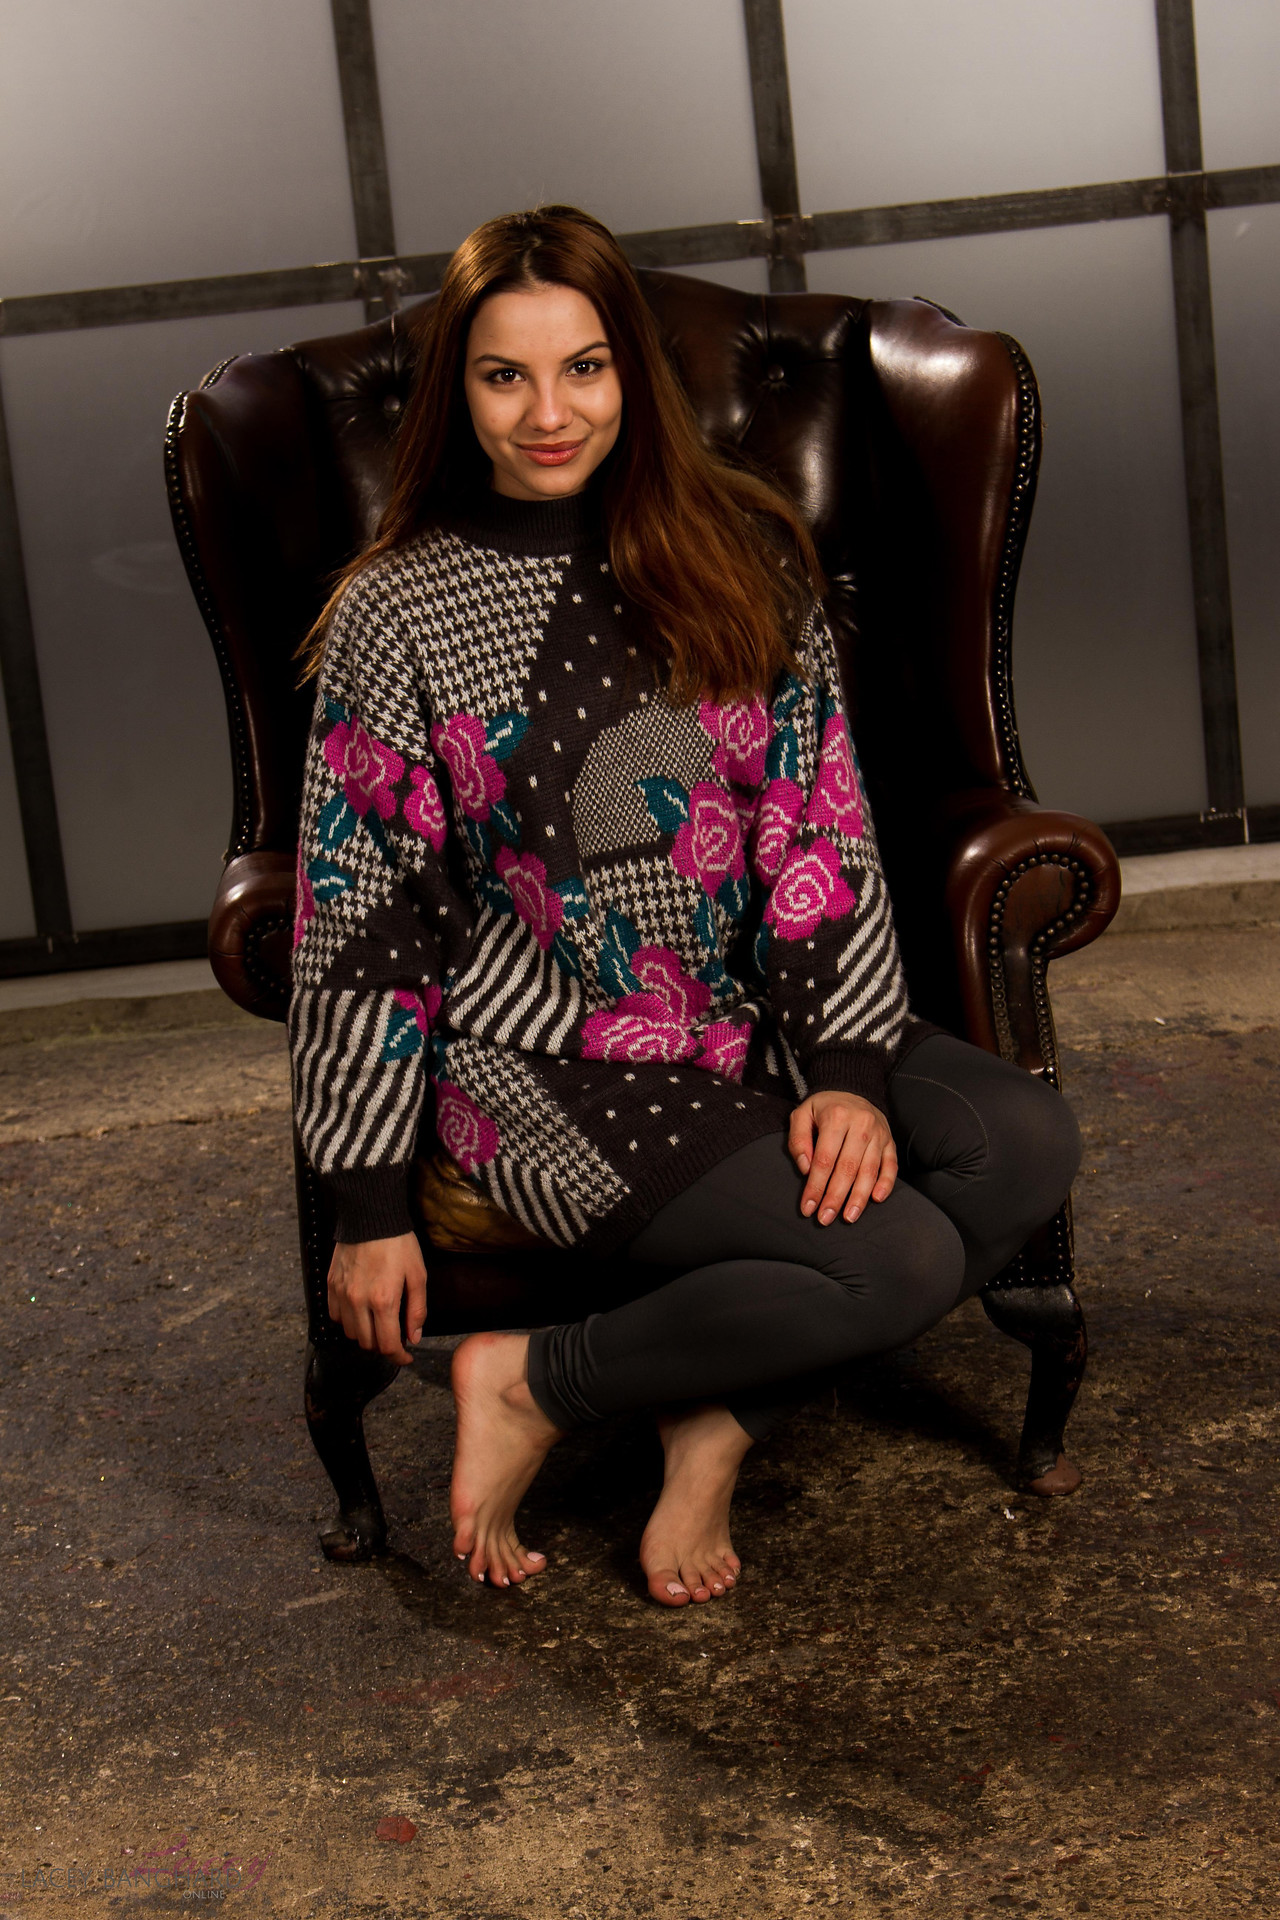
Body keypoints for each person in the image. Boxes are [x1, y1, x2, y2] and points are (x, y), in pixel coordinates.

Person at [290, 205, 1080, 1607]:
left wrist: (845, 1073)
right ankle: (530, 1383)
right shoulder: (396, 613)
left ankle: (707, 1421)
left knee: (1022, 1143)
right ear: (457, 393)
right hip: (542, 1061)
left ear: (632, 375)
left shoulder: (741, 553)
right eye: (505, 375)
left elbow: (817, 825)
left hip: (747, 1016)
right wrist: (364, 1200)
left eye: (584, 368)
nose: (549, 413)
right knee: (893, 1262)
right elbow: (361, 917)